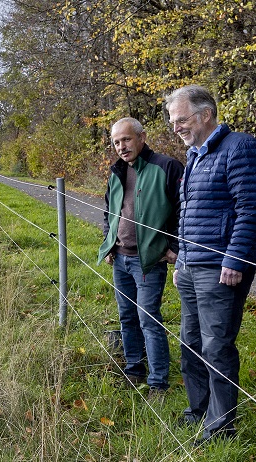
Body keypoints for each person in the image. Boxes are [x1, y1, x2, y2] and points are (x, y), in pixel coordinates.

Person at [165, 85, 256, 445]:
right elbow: (188, 214)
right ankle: (198, 410)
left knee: (216, 347)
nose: (176, 127)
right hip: (192, 265)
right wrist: (181, 258)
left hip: (221, 268)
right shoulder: (195, 155)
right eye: (172, 121)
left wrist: (236, 258)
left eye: (182, 119)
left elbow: (251, 209)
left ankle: (220, 428)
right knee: (190, 342)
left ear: (205, 114)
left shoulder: (240, 148)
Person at [97, 117, 183, 397]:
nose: (122, 146)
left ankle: (158, 383)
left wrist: (174, 247)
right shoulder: (116, 171)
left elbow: (184, 210)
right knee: (126, 317)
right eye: (116, 142)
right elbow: (110, 211)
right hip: (120, 259)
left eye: (126, 139)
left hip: (149, 261)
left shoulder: (166, 166)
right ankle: (134, 370)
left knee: (149, 319)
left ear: (141, 137)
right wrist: (109, 244)